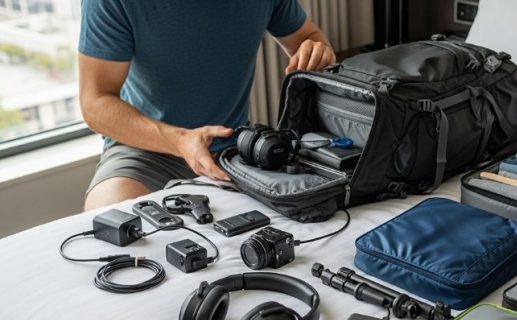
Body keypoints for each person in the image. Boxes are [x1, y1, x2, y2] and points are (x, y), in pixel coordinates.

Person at [79, 0, 336, 210]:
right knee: (107, 217)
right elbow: (95, 103)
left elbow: (309, 38)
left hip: (234, 152)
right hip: (145, 153)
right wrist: (179, 140)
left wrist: (316, 50)